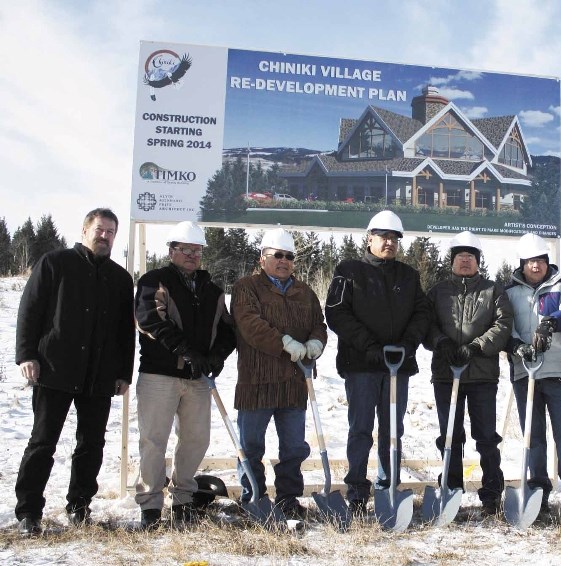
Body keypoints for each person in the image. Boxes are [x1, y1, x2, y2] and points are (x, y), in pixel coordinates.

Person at [14, 208, 134, 535]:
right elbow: (30, 311)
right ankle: (29, 512)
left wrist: (124, 372)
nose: (105, 236)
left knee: (92, 444)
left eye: (111, 232)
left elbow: (126, 331)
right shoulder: (55, 263)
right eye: (100, 230)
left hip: (100, 375)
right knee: (43, 442)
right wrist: (26, 354)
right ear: (85, 230)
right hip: (54, 368)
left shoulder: (120, 278)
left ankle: (80, 506)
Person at [325, 210, 429, 515]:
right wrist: (369, 346)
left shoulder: (408, 276)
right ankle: (357, 489)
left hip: (397, 367)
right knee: (360, 429)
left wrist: (408, 344)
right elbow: (336, 312)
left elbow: (422, 312)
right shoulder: (349, 270)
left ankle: (388, 488)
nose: (389, 243)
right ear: (369, 238)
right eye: (383, 237)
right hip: (361, 365)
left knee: (392, 430)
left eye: (394, 238)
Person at [134, 221, 236, 529]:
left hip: (198, 380)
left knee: (195, 440)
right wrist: (185, 351)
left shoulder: (213, 290)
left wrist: (216, 357)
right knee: (154, 441)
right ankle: (151, 506)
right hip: (159, 375)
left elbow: (227, 330)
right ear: (171, 251)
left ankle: (183, 500)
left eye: (197, 250)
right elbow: (150, 320)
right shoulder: (155, 280)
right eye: (185, 249)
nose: (191, 255)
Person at [231, 228, 327, 520]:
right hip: (257, 382)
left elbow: (318, 323)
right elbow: (249, 324)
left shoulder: (305, 292)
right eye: (277, 255)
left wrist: (316, 342)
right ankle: (254, 499)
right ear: (262, 258)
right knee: (251, 446)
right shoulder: (246, 287)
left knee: (293, 448)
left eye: (289, 256)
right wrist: (283, 342)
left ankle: (288, 498)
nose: (284, 261)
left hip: (294, 383)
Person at [424, 231, 512, 515]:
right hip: (446, 374)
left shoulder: (493, 290)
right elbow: (425, 324)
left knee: (486, 436)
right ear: (452, 261)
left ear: (478, 261)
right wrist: (442, 342)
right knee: (450, 435)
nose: (465, 261)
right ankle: (450, 490)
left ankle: (491, 493)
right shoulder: (438, 291)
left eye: (470, 257)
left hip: (482, 376)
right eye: (460, 256)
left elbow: (503, 325)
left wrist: (476, 347)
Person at [506, 233, 561, 524]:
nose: (535, 266)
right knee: (532, 436)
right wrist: (516, 346)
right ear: (522, 264)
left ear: (546, 262)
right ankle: (538, 489)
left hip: (556, 373)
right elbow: (504, 326)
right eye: (529, 261)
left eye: (539, 260)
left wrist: (552, 322)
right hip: (524, 373)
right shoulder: (511, 292)